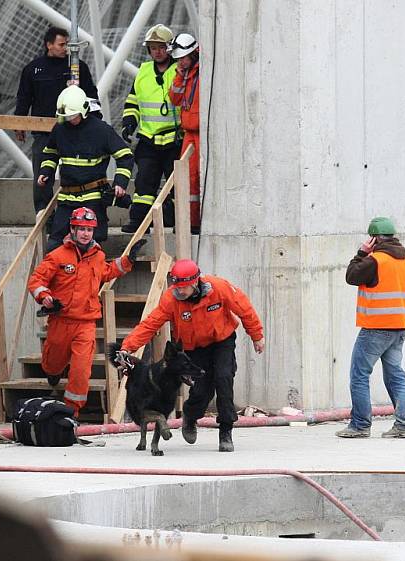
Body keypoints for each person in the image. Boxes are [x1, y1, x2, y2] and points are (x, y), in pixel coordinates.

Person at [118, 259, 265, 452]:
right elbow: (150, 324)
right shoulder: (171, 299)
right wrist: (128, 347)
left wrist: (257, 336)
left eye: (183, 288)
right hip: (194, 348)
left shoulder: (219, 288)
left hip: (222, 341)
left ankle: (226, 430)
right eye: (176, 287)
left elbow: (244, 308)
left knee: (223, 378)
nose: (179, 292)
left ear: (195, 282)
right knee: (202, 389)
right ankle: (191, 416)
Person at [27, 207, 146, 417]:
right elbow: (36, 280)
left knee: (81, 371)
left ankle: (70, 413)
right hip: (61, 320)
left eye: (89, 230)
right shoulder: (57, 256)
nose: (85, 233)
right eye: (81, 229)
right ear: (72, 229)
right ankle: (52, 372)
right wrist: (45, 296)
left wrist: (128, 261)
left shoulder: (98, 256)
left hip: (86, 323)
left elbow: (107, 272)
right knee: (53, 363)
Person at [335, 217, 405, 439]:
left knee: (359, 375)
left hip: (375, 329)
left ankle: (360, 425)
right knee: (395, 375)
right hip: (399, 327)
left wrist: (362, 253)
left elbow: (351, 276)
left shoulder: (375, 261)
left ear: (373, 238)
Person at [14, 26, 99, 218]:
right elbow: (24, 98)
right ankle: (44, 215)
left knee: (78, 172)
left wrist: (94, 122)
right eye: (62, 44)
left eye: (67, 44)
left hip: (74, 131)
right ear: (49, 45)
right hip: (44, 132)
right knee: (43, 174)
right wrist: (19, 123)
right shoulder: (33, 69)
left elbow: (92, 96)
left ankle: (78, 213)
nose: (66, 48)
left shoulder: (77, 68)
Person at [38, 85, 134, 253]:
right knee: (55, 245)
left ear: (83, 110)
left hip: (92, 199)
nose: (68, 120)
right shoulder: (60, 129)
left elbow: (125, 156)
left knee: (90, 249)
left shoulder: (101, 130)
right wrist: (46, 172)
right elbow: (50, 153)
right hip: (67, 198)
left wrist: (120, 183)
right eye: (65, 116)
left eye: (72, 116)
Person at [120, 24, 182, 233]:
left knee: (177, 187)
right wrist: (129, 123)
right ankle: (139, 223)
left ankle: (179, 223)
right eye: (153, 47)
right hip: (148, 139)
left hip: (174, 140)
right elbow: (133, 101)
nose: (157, 51)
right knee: (144, 185)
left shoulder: (180, 70)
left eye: (161, 47)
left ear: (170, 48)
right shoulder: (144, 71)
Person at [168, 33, 202, 234]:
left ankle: (197, 221)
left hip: (201, 133)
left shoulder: (202, 73)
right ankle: (190, 220)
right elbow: (174, 98)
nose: (181, 61)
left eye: (183, 58)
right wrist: (180, 74)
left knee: (200, 178)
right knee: (188, 179)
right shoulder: (185, 74)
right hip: (189, 133)